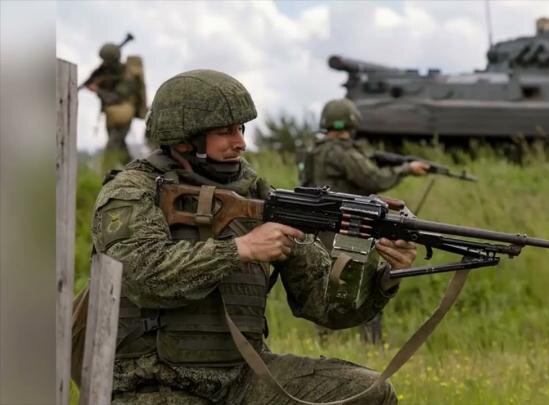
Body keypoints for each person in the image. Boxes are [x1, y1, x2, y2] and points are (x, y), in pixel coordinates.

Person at [91, 70, 416, 404]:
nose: (241, 142)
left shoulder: (256, 191)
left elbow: (325, 306)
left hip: (244, 378)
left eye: (241, 128)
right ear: (185, 137)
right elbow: (139, 274)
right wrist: (240, 250)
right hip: (154, 382)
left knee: (369, 392)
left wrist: (383, 277)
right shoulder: (133, 190)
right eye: (225, 131)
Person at [300, 98, 430, 344]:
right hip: (349, 230)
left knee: (324, 288)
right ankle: (371, 345)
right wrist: (405, 169)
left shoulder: (313, 151)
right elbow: (374, 180)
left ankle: (326, 345)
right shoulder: (341, 152)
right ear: (351, 122)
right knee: (369, 285)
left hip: (318, 231)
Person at [82, 39, 147, 168]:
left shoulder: (128, 75)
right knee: (120, 146)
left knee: (112, 146)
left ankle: (104, 177)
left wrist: (97, 90)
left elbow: (116, 97)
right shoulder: (106, 71)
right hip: (111, 114)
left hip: (123, 113)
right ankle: (136, 169)